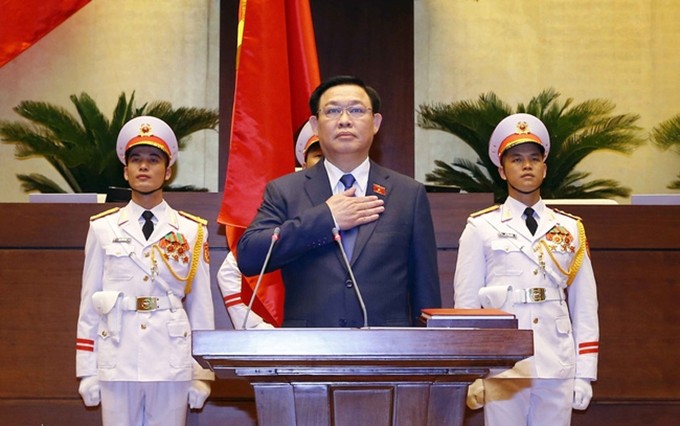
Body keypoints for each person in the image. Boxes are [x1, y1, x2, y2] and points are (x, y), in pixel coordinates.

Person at [237, 75, 441, 327]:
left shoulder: (408, 194)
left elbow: (425, 290)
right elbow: (249, 257)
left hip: (387, 354)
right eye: (332, 111)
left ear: (375, 122)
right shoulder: (285, 191)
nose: (344, 120)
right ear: (315, 124)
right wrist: (326, 218)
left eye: (356, 110)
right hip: (309, 354)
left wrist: (429, 360)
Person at [453, 113, 599, 426]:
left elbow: (585, 305)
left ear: (545, 167)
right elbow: (466, 306)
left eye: (534, 158)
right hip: (504, 364)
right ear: (502, 170)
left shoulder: (570, 228)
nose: (527, 165)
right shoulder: (481, 227)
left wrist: (585, 372)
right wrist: (472, 372)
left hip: (556, 359)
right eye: (516, 159)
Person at [75, 116, 215, 426]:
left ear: (167, 171)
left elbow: (201, 307)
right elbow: (89, 303)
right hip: (117, 354)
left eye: (153, 160)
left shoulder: (192, 231)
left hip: (170, 358)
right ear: (125, 171)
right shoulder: (103, 228)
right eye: (135, 159)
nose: (143, 167)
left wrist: (201, 374)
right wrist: (87, 370)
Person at [217, 121, 323, 329]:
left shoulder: (365, 206)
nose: (325, 163)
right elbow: (230, 272)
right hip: (290, 336)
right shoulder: (282, 206)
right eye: (318, 156)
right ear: (304, 163)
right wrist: (260, 329)